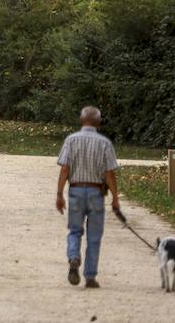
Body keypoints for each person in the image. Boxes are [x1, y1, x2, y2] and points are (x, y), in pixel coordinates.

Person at [56, 106, 120, 288]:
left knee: (75, 231)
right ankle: (90, 276)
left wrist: (59, 194)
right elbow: (109, 173)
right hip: (95, 193)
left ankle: (74, 257)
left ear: (81, 119)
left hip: (76, 191)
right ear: (98, 122)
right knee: (94, 236)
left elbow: (65, 169)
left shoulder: (71, 140)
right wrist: (115, 197)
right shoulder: (104, 143)